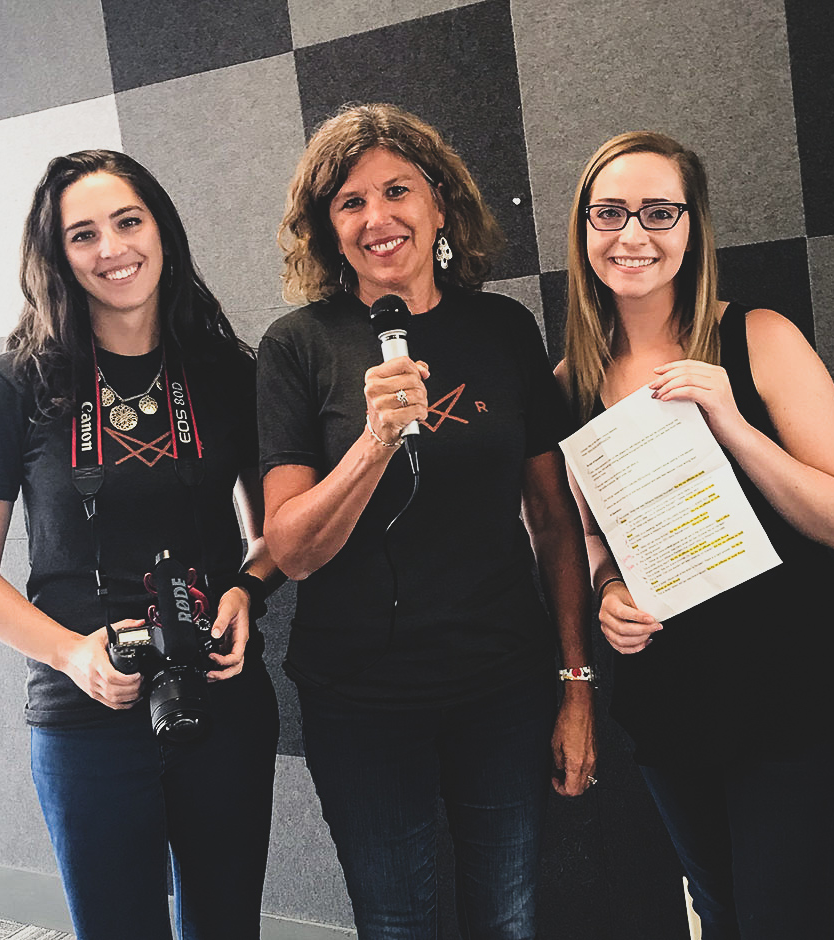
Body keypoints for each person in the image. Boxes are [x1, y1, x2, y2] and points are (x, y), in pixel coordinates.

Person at [257, 103, 596, 939]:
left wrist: (576, 684)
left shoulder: (503, 329)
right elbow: (291, 550)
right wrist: (374, 441)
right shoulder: (298, 346)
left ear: (439, 204)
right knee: (395, 922)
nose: (377, 216)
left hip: (502, 684)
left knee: (506, 918)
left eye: (397, 190)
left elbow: (555, 523)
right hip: (359, 700)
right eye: (350, 202)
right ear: (329, 230)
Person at [0, 150, 280, 940]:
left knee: (227, 927)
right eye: (83, 234)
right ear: (58, 255)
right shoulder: (16, 384)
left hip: (220, 695)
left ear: (162, 229)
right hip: (86, 709)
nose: (113, 248)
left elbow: (274, 533)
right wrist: (71, 655)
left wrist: (247, 590)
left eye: (128, 221)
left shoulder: (229, 373)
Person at [556, 131, 834, 938]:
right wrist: (607, 589)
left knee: (781, 918)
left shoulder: (758, 337)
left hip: (786, 686)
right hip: (669, 696)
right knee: (720, 909)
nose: (632, 235)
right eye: (609, 213)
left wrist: (731, 420)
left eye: (658, 212)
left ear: (692, 225)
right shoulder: (567, 386)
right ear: (584, 228)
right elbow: (586, 536)